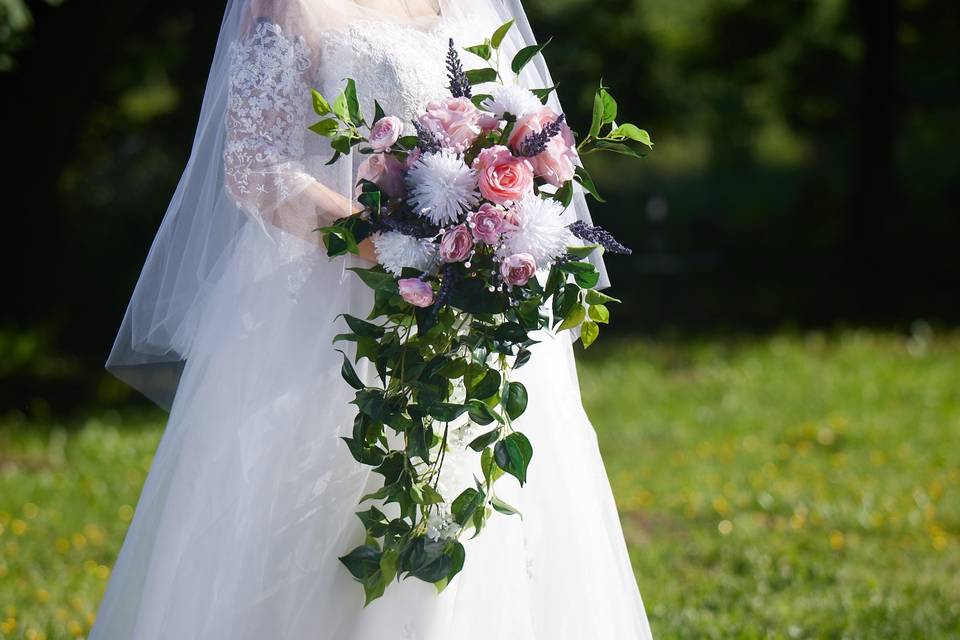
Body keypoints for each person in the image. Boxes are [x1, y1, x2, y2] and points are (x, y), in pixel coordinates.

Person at [94, 1, 653, 637]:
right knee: (333, 522)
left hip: (473, 307)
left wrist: (506, 225)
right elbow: (254, 166)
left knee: (490, 511)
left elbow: (522, 124)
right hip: (336, 311)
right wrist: (390, 246)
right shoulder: (285, 4)